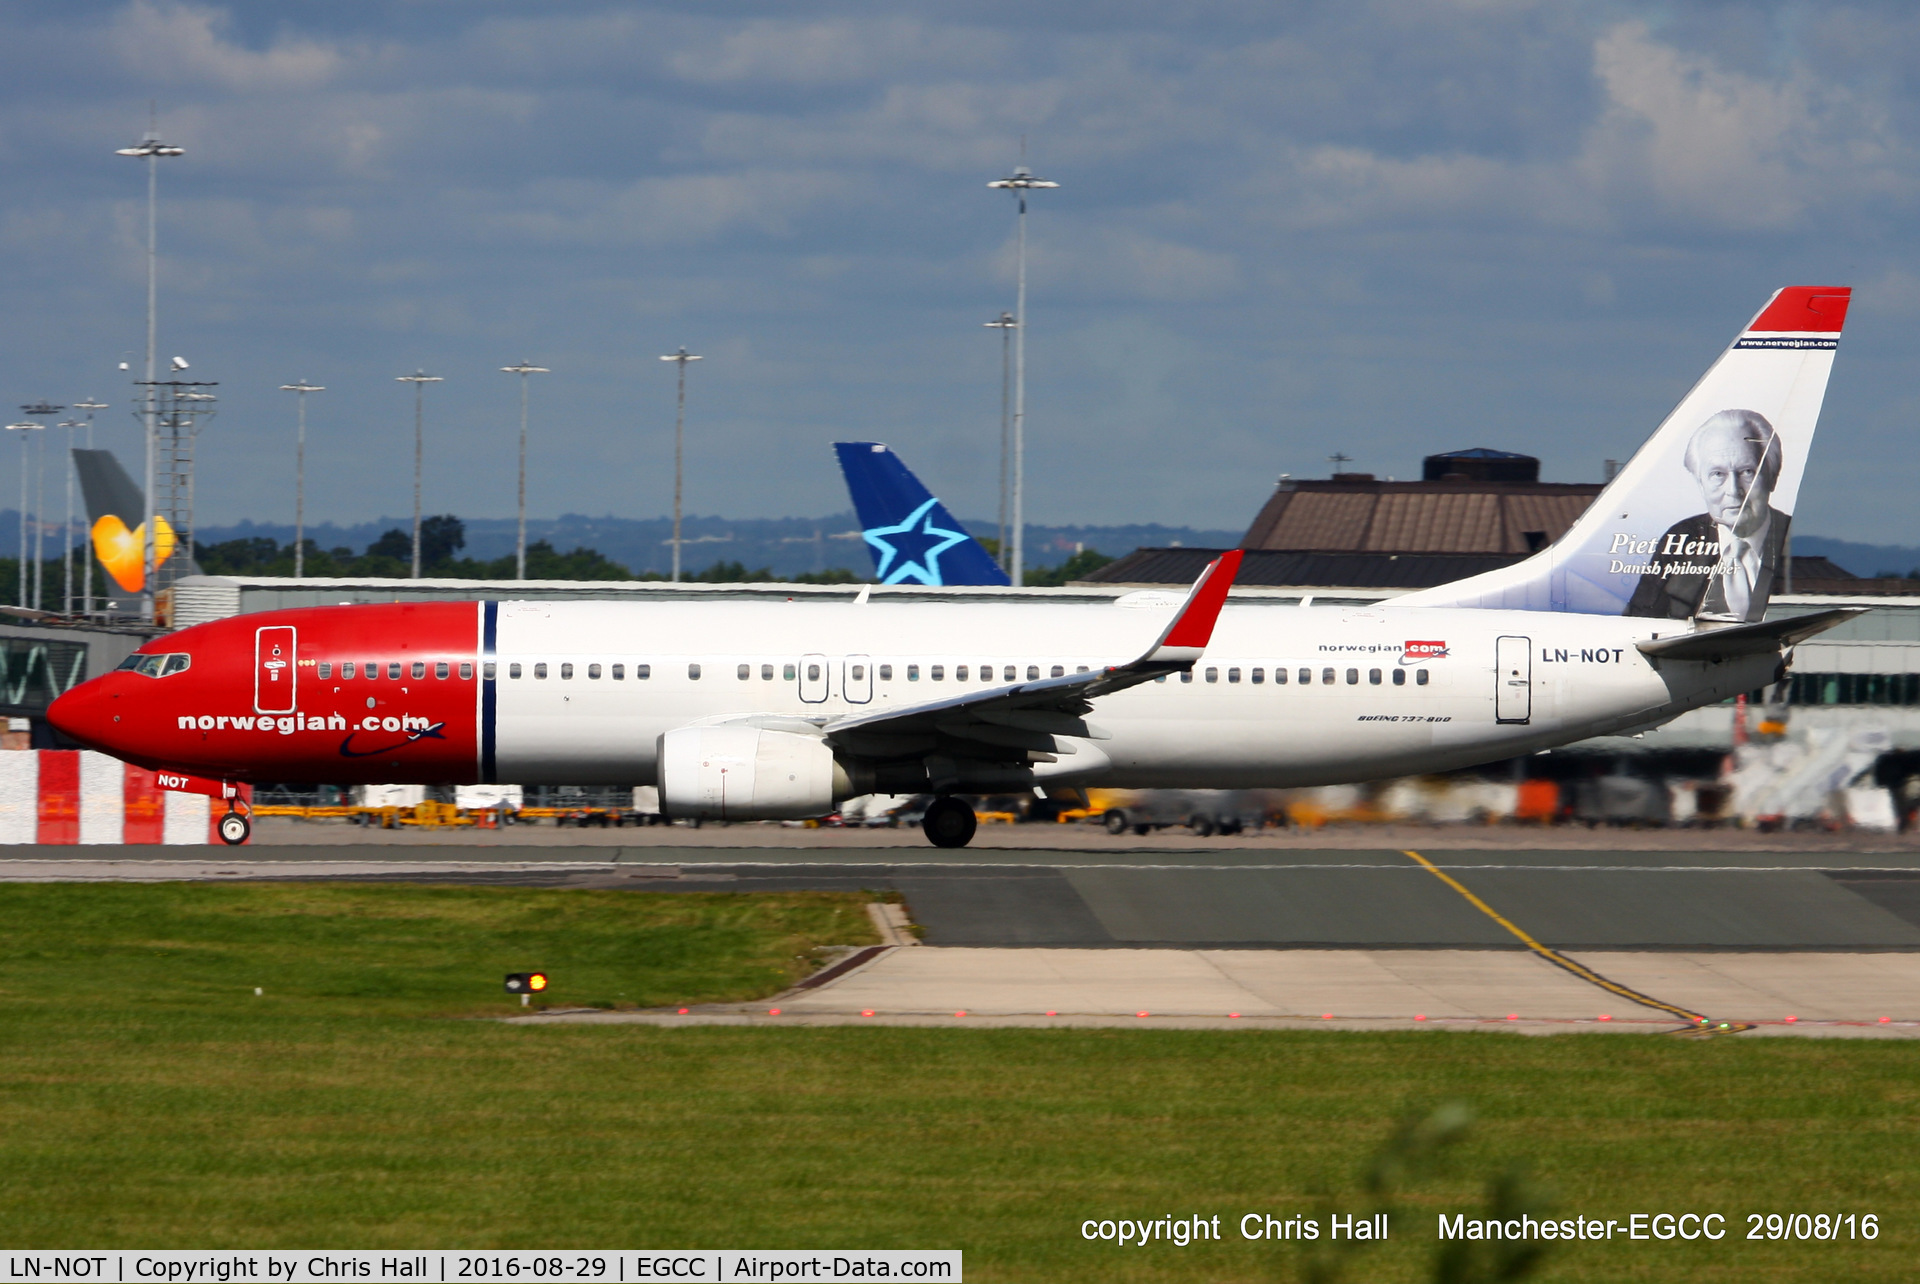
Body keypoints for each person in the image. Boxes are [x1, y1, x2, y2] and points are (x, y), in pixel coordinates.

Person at [1626, 409, 1788, 621]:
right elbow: (1641, 618)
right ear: (1700, 484)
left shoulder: (1790, 538)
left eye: (1748, 472)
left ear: (1772, 477)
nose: (1733, 489)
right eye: (1718, 474)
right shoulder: (1681, 539)